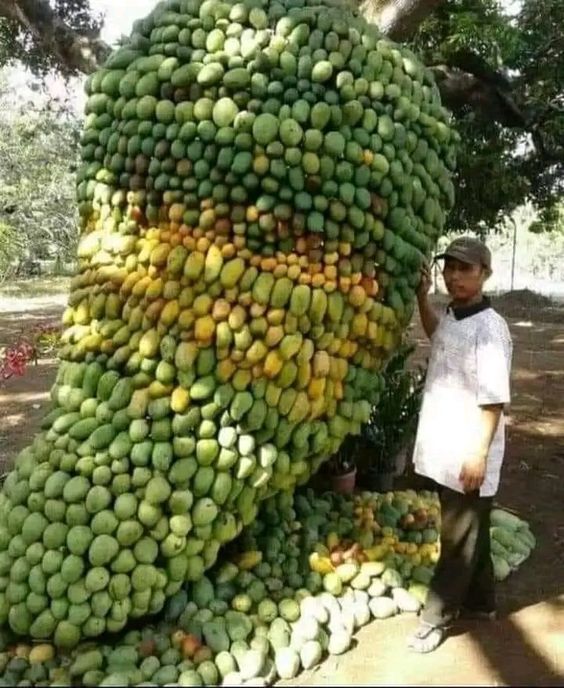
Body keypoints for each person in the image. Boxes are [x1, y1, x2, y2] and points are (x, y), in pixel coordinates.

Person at [407, 236, 513, 653]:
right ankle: (482, 603)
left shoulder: (490, 329)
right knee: (471, 530)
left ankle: (435, 618)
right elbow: (441, 338)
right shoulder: (455, 314)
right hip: (445, 444)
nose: (454, 276)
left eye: (464, 269)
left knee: (455, 539)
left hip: (467, 450)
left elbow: (493, 400)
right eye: (449, 268)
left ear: (484, 273)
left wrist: (478, 453)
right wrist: (421, 299)